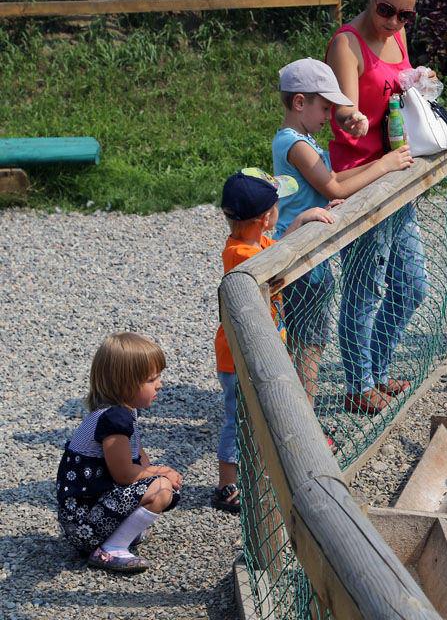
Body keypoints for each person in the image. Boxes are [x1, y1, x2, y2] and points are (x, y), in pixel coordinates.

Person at [272, 58, 412, 414]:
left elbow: (335, 181)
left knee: (312, 339)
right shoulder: (295, 144)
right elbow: (333, 184)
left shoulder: (303, 139)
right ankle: (304, 418)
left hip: (311, 253)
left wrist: (385, 162)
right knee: (307, 343)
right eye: (325, 107)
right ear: (300, 102)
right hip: (300, 255)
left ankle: (303, 413)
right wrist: (385, 164)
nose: (330, 115)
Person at [324, 0, 429, 416]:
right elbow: (344, 107)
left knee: (411, 284)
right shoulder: (346, 43)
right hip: (361, 177)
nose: (394, 23)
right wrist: (352, 116)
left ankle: (378, 371)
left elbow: (398, 85)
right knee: (364, 288)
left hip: (396, 171)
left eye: (406, 16)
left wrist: (417, 83)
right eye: (388, 10)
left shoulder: (397, 36)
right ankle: (359, 383)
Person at [212, 167, 338, 513]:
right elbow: (278, 265)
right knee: (238, 420)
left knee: (256, 415)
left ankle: (258, 470)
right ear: (267, 217)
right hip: (239, 357)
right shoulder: (242, 256)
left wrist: (303, 220)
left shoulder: (253, 243)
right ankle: (227, 485)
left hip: (257, 349)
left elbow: (279, 250)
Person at [56, 332, 182, 573]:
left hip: (91, 511)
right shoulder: (114, 419)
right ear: (124, 383)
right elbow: (124, 474)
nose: (160, 384)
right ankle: (110, 548)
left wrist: (156, 473)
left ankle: (121, 532)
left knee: (162, 485)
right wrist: (162, 473)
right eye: (151, 379)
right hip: (84, 522)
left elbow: (139, 456)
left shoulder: (123, 413)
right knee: (161, 488)